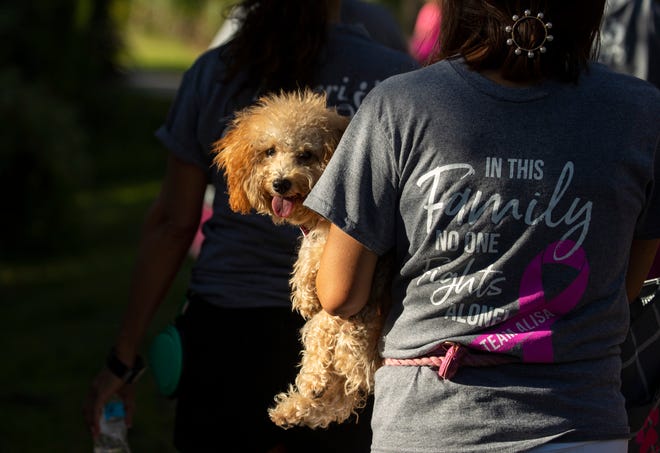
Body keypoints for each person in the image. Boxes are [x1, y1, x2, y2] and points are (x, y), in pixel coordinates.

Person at [304, 0, 660, 452]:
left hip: (429, 424)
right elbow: (623, 284)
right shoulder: (640, 112)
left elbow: (339, 293)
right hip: (581, 423)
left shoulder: (400, 106)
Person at [82, 1, 419, 452]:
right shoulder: (399, 83)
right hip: (352, 326)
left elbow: (172, 223)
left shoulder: (213, 72)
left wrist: (123, 359)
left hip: (230, 333)